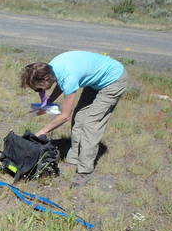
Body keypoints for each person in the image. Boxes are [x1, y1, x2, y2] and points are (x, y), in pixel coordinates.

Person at [20, 51, 127, 187]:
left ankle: (85, 170)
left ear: (46, 79)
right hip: (95, 80)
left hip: (113, 80)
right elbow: (60, 84)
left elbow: (64, 116)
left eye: (38, 89)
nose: (39, 92)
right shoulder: (52, 68)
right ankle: (74, 157)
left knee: (90, 123)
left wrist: (41, 132)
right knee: (79, 117)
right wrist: (49, 103)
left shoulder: (69, 77)